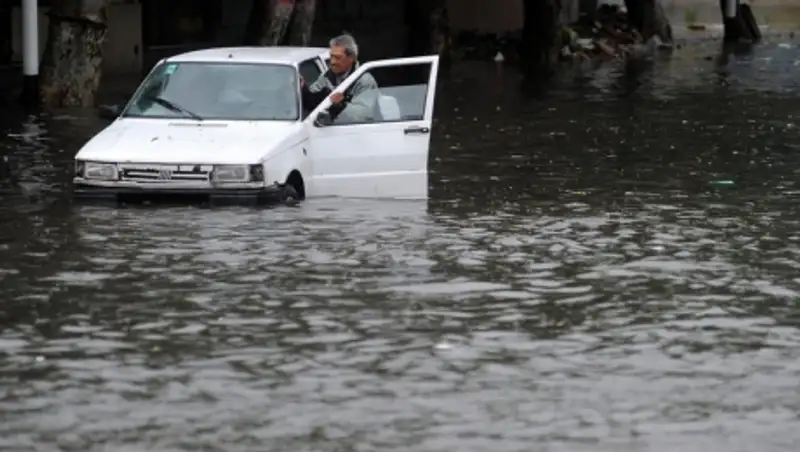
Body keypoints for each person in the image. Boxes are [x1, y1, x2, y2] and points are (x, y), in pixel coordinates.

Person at [301, 33, 379, 124]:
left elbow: (365, 113)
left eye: (338, 58)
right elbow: (314, 96)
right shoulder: (327, 76)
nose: (332, 62)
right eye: (331, 56)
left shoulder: (364, 80)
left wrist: (341, 105)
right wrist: (303, 89)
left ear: (351, 58)